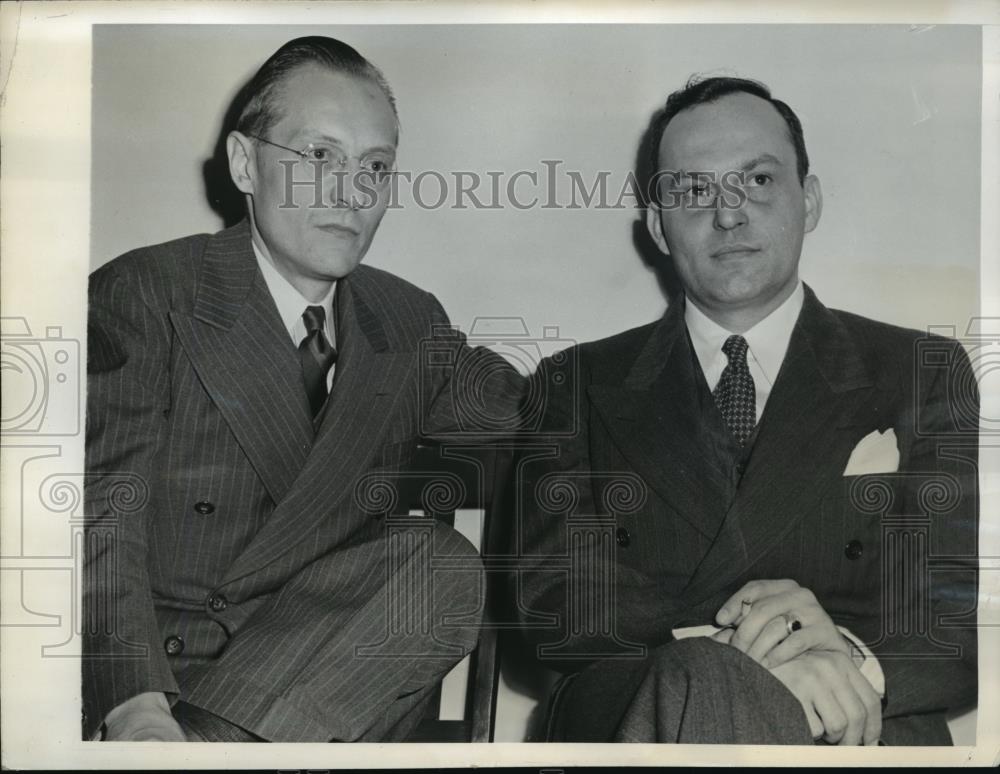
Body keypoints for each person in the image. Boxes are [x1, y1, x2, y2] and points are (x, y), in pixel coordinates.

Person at [83, 36, 525, 743]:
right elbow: (103, 516)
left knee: (439, 563)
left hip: (325, 693)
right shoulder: (146, 293)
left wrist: (693, 349)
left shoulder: (407, 321)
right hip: (163, 692)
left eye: (374, 168)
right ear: (243, 163)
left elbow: (545, 411)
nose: (352, 192)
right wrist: (134, 706)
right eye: (320, 156)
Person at [515, 76, 979, 746]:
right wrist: (757, 651)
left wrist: (849, 659)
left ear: (808, 200)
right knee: (703, 677)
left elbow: (954, 619)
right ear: (658, 225)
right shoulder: (571, 384)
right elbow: (551, 611)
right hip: (642, 714)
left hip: (853, 719)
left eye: (757, 180)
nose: (728, 214)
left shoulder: (920, 373)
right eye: (695, 190)